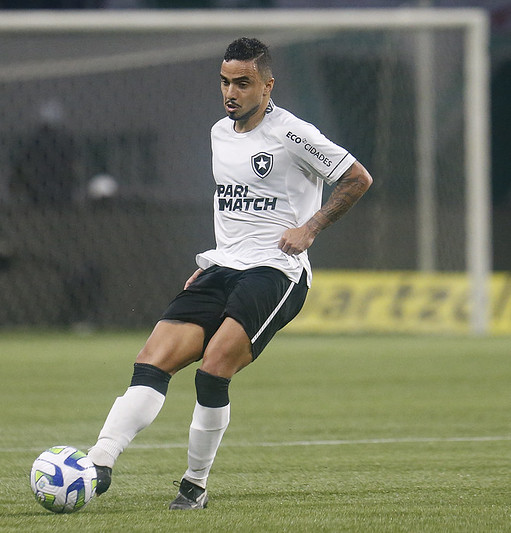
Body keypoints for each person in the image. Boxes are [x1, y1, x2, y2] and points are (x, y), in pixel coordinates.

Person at [86, 37, 373, 510]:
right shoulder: (219, 133)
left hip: (276, 271)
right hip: (223, 268)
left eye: (243, 82)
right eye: (225, 82)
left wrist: (311, 227)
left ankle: (194, 485)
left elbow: (357, 177)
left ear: (267, 85)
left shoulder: (293, 134)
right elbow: (234, 211)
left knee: (213, 368)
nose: (231, 92)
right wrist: (212, 263)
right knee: (152, 360)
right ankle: (99, 462)